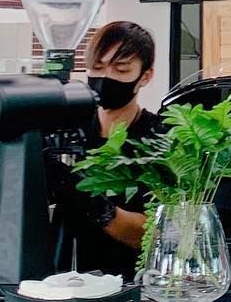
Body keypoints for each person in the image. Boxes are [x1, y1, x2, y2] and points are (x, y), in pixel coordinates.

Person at [57, 21, 164, 279]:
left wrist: (97, 206)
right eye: (97, 68)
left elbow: (153, 234)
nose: (106, 78)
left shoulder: (159, 139)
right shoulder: (66, 131)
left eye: (121, 69)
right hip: (61, 280)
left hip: (131, 284)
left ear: (145, 76)